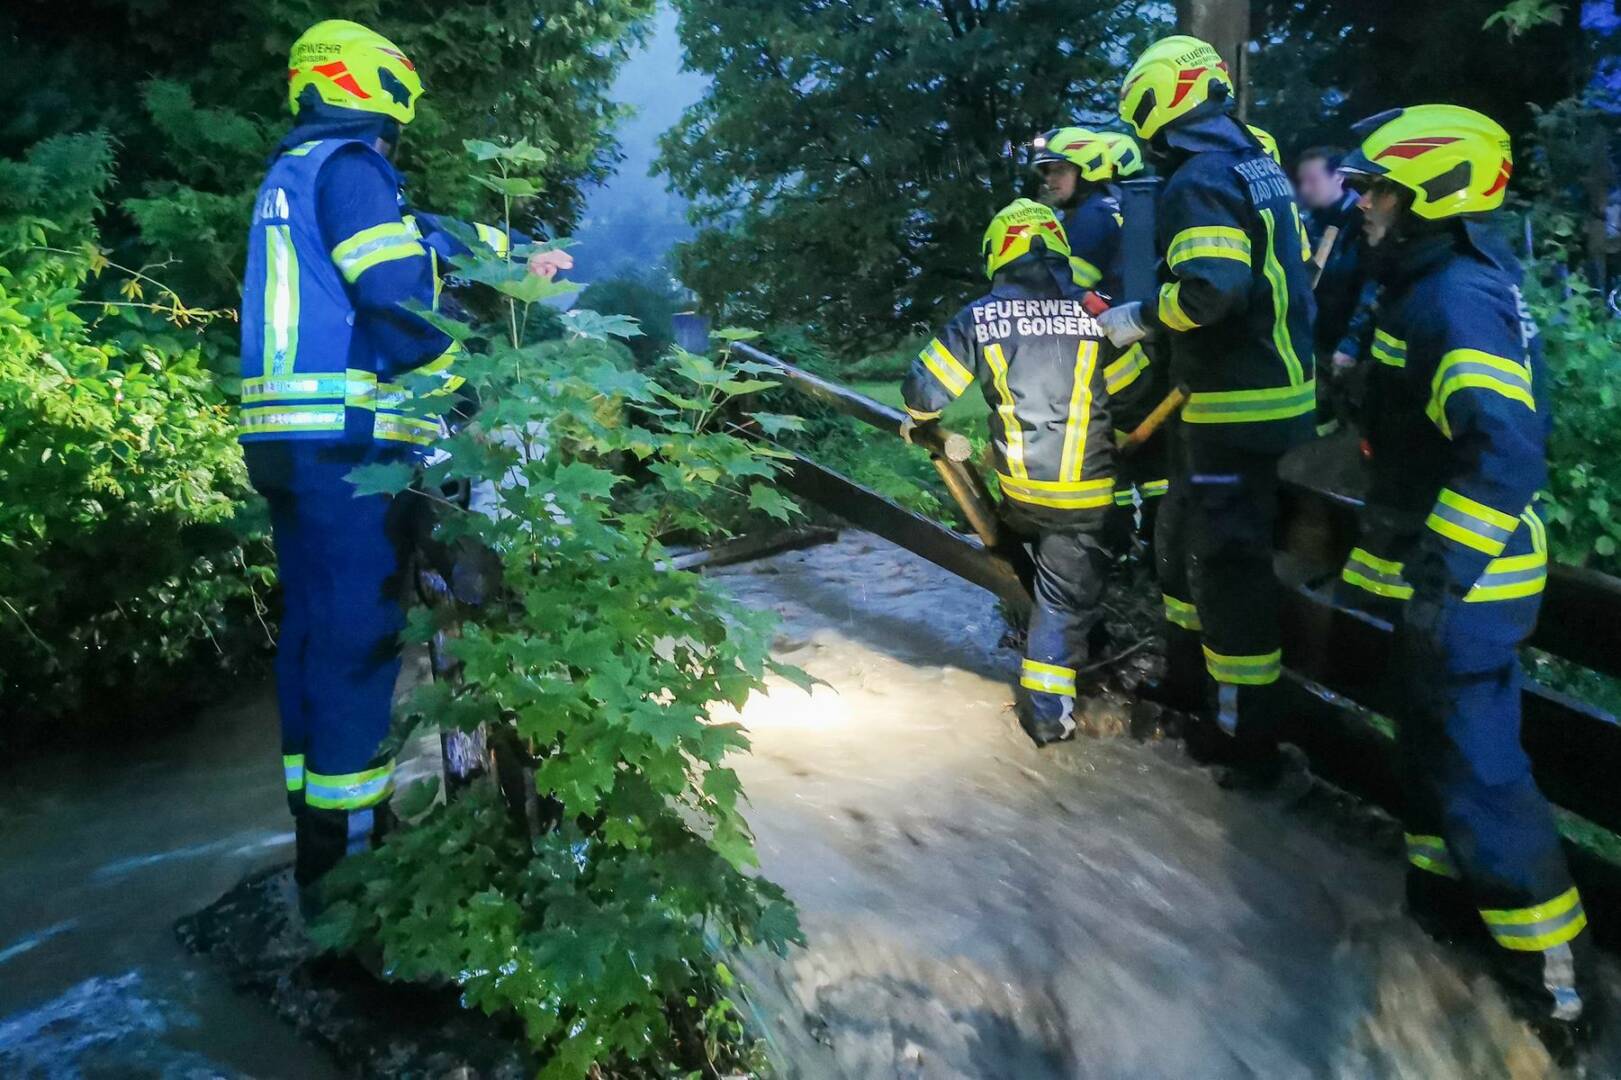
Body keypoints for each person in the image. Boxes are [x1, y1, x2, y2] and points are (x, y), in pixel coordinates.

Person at [238, 19, 569, 906]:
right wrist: (463, 375)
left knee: (311, 636)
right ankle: (348, 870)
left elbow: (423, 234)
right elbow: (393, 292)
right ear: (377, 92)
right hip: (347, 446)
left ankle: (318, 835)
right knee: (357, 645)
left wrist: (511, 252)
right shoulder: (353, 166)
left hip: (285, 445)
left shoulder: (296, 173)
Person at [1337, 105, 1595, 1055]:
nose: (1361, 204)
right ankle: (1443, 909)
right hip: (1440, 575)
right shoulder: (1426, 281)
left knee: (1481, 776)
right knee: (1430, 754)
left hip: (1470, 585)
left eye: (1376, 189)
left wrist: (1442, 582)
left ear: (1428, 196)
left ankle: (1556, 986)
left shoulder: (1453, 299)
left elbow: (1505, 456)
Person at [1098, 35, 1317, 785]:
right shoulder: (1254, 161)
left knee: (1227, 571)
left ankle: (1246, 740)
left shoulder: (1198, 179)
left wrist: (1139, 315)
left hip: (1236, 409)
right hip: (1255, 398)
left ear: (1158, 106)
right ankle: (1191, 683)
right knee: (1181, 539)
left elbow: (1210, 291)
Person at [900, 199, 1120, 747]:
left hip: (1020, 495)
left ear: (998, 253)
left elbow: (923, 392)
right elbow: (1134, 385)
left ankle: (1058, 641)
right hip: (1086, 497)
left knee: (1049, 575)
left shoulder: (981, 316)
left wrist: (918, 423)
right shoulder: (1096, 310)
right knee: (1064, 600)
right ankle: (1048, 718)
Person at [1029, 129, 1164, 549]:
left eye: (1059, 170)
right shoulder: (1115, 204)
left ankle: (1117, 547)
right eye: (1046, 172)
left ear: (1087, 170)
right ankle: (1152, 543)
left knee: (1106, 457)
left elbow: (1065, 292)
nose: (1050, 180)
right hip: (1135, 354)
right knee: (1147, 458)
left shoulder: (1089, 218)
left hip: (1111, 361)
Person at [1296, 146, 1374, 432]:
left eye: (1313, 180)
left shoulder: (1363, 223)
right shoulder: (1306, 221)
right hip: (1317, 340)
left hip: (1350, 345)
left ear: (1339, 177)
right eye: (1302, 181)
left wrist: (1351, 344)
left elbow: (1371, 288)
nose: (1304, 189)